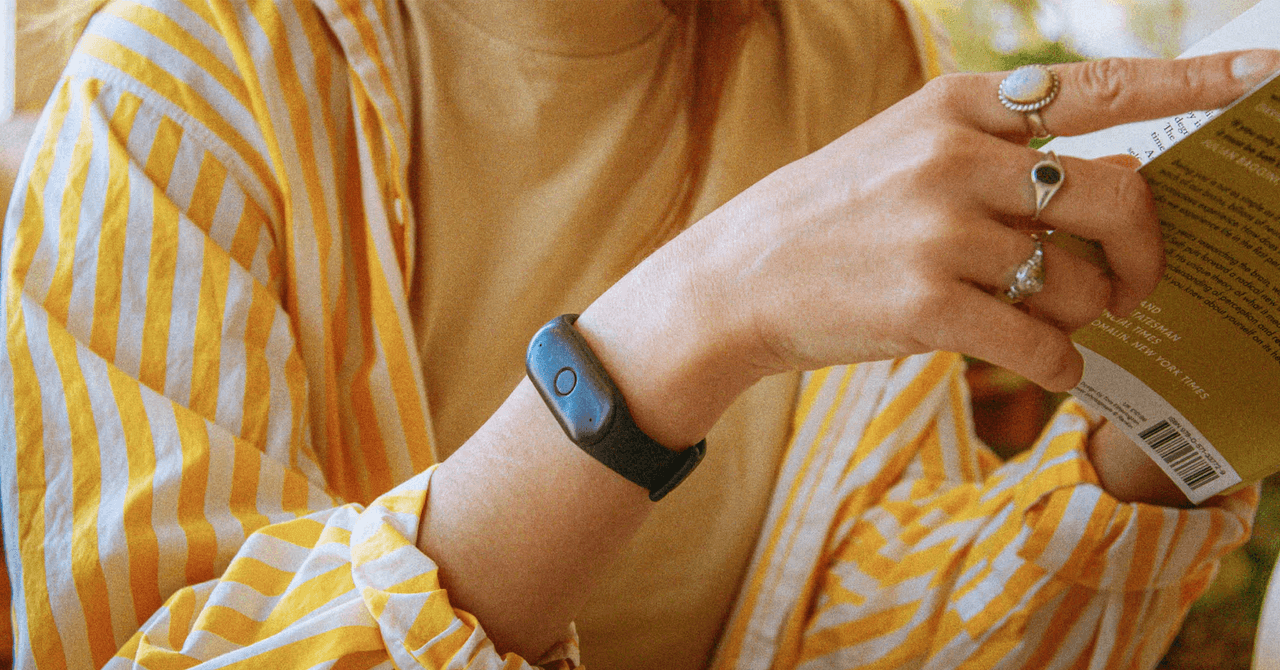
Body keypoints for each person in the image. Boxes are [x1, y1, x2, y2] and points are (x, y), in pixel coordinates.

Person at [0, 0, 1271, 668]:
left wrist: (1173, 429)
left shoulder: (858, 48)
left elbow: (851, 630)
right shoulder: (182, 80)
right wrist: (690, 318)